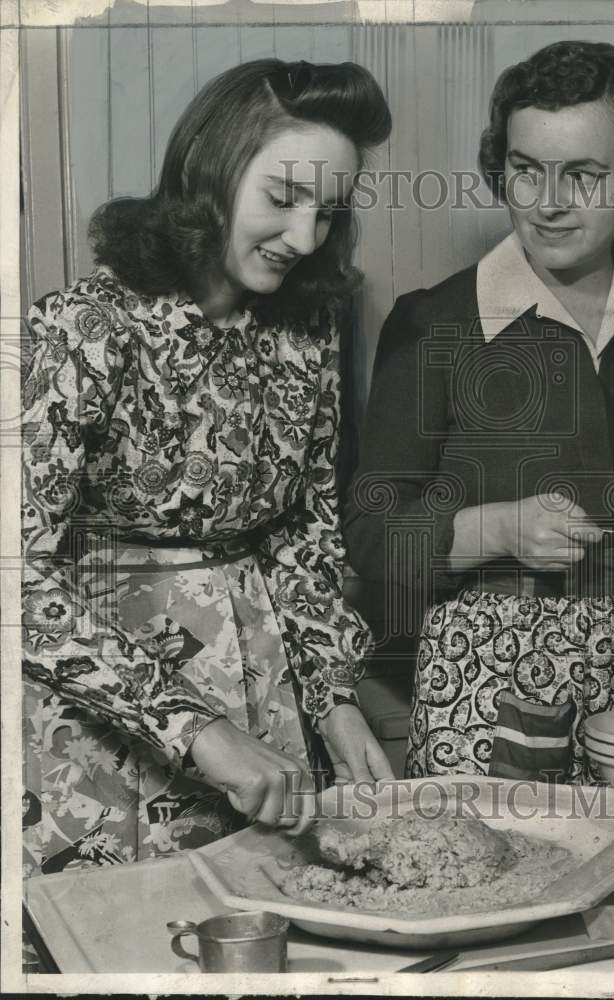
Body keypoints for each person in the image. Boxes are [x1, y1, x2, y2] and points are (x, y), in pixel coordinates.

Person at [21, 58, 394, 878]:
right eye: (284, 197)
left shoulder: (305, 334)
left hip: (265, 690)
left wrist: (332, 700)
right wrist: (196, 727)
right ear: (210, 172)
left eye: (327, 211)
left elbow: (302, 531)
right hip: (104, 713)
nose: (304, 238)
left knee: (264, 927)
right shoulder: (80, 328)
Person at [344, 41, 614, 785]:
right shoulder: (432, 325)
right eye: (525, 170)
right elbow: (369, 536)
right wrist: (497, 528)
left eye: (583, 175)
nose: (546, 202)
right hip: (489, 685)